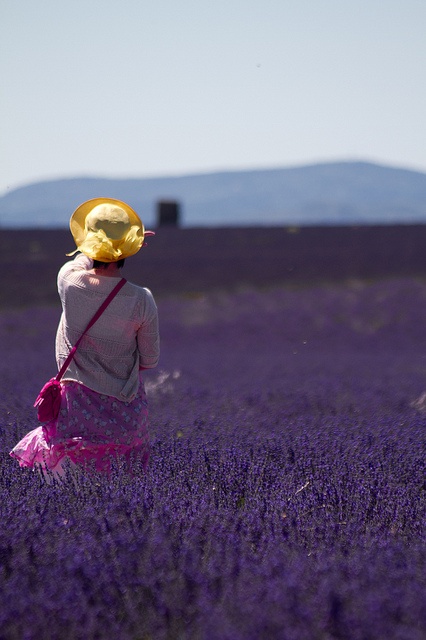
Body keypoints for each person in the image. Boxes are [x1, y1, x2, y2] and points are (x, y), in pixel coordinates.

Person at [10, 198, 160, 477]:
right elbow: (150, 360)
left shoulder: (69, 282)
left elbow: (79, 262)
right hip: (126, 417)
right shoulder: (142, 299)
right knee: (125, 490)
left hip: (77, 412)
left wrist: (99, 246)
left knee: (71, 488)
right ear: (129, 249)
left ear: (87, 243)